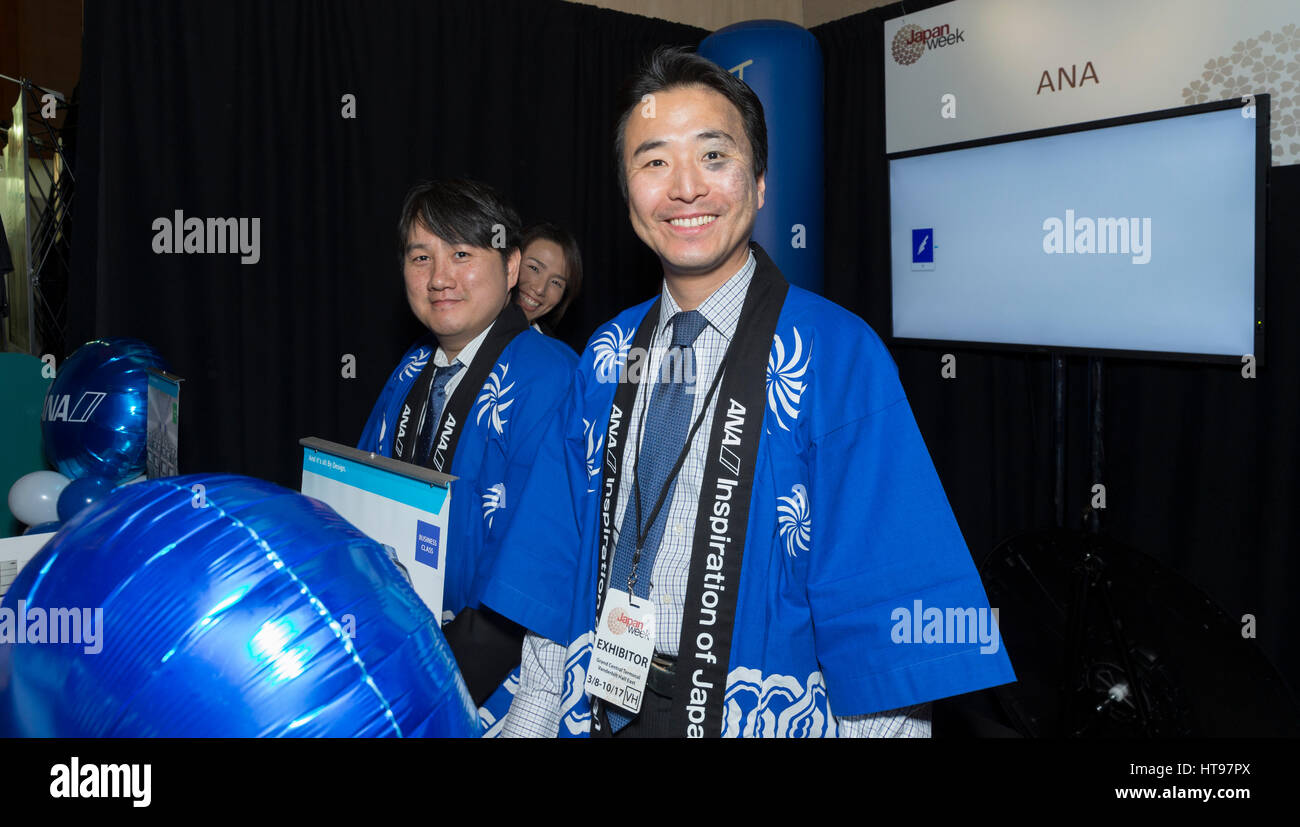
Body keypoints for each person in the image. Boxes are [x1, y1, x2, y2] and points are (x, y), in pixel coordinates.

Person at [482, 47, 1015, 738]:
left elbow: (882, 612)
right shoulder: (606, 355)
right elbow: (557, 560)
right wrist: (529, 719)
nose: (684, 188)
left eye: (713, 156)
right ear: (628, 193)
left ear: (760, 181)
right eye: (653, 161)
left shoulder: (834, 354)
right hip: (604, 697)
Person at [358, 178, 577, 732]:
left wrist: (423, 690)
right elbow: (358, 504)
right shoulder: (409, 371)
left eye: (461, 254)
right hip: (400, 654)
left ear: (510, 268)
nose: (439, 278)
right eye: (421, 256)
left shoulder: (549, 377)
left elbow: (535, 571)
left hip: (499, 689)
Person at [515, 222, 583, 336]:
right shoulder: (476, 322)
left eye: (556, 282)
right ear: (510, 261)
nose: (540, 289)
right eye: (534, 268)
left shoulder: (551, 351)